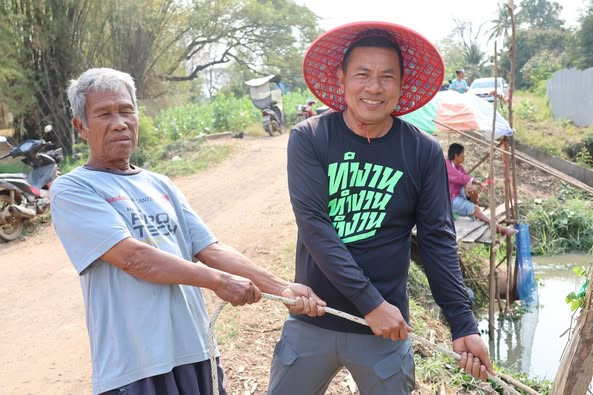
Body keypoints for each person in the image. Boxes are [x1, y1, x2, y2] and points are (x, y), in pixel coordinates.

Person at [50, 67, 325, 395]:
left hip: (196, 352)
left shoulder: (160, 184)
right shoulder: (73, 188)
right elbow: (134, 258)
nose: (120, 122)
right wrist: (220, 282)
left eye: (126, 110)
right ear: (81, 126)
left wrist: (282, 289)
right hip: (135, 365)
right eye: (104, 114)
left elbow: (211, 248)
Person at [267, 22, 494, 395]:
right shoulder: (310, 138)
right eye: (363, 74)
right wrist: (371, 303)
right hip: (314, 319)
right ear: (341, 79)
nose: (374, 87)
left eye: (387, 76)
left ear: (402, 85)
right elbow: (314, 226)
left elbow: (437, 240)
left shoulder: (422, 151)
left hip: (385, 331)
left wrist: (463, 323)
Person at [447, 143, 518, 236]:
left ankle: (475, 210)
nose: (464, 156)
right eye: (463, 153)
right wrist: (478, 183)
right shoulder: (447, 165)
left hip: (457, 194)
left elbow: (466, 177)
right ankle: (498, 227)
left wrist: (478, 184)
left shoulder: (459, 167)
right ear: (456, 155)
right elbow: (461, 178)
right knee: (475, 206)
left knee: (472, 188)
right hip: (449, 199)